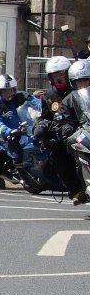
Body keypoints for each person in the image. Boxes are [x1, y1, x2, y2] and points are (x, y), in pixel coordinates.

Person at [55, 60, 90, 204]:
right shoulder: (68, 100)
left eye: (85, 81)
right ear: (72, 83)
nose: (82, 85)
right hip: (83, 134)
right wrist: (66, 128)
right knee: (71, 156)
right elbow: (64, 120)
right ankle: (81, 189)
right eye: (78, 82)